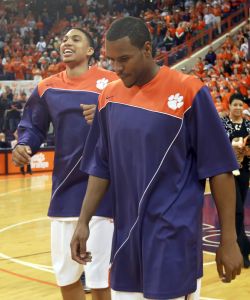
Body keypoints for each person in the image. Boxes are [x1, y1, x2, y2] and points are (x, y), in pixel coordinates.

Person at [71, 17, 243, 300]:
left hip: (172, 238)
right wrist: (83, 221)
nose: (117, 68)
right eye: (112, 60)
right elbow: (101, 167)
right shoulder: (109, 97)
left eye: (124, 59)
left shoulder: (189, 90)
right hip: (126, 240)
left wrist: (229, 239)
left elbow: (220, 169)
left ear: (148, 49)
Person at [12, 28, 117, 300]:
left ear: (91, 50)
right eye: (64, 39)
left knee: (99, 280)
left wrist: (109, 115)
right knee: (66, 277)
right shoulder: (46, 87)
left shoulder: (113, 83)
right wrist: (24, 144)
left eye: (76, 39)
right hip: (64, 191)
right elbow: (33, 126)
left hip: (104, 190)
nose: (67, 42)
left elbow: (132, 121)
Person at [221, 93, 250, 268]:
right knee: (237, 210)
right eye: (235, 105)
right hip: (227, 173)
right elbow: (218, 146)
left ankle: (241, 245)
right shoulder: (222, 124)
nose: (238, 108)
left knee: (238, 211)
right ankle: (243, 249)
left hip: (244, 171)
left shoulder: (248, 124)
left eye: (241, 105)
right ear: (229, 106)